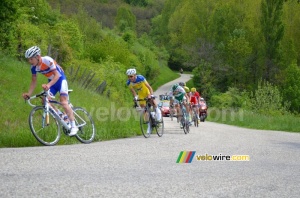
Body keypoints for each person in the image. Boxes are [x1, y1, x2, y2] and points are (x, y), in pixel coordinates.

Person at [22, 46, 78, 136]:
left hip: (60, 80)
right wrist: (29, 93)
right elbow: (33, 81)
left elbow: (57, 75)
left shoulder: (47, 60)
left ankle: (74, 126)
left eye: (31, 59)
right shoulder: (33, 67)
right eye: (29, 59)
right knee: (45, 100)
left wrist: (48, 85)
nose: (30, 61)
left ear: (38, 56)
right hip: (52, 82)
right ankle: (61, 115)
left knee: (63, 102)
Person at [126, 68, 162, 134]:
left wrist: (151, 94)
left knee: (151, 100)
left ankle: (157, 110)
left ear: (135, 75)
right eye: (128, 76)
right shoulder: (128, 82)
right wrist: (136, 97)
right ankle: (149, 126)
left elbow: (149, 87)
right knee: (144, 110)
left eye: (131, 76)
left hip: (146, 91)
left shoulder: (141, 78)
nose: (130, 78)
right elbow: (133, 92)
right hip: (141, 94)